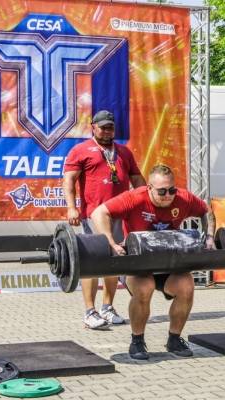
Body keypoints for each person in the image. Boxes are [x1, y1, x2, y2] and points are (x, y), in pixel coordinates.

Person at [91, 164, 215, 359]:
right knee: (144, 287)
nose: (168, 195)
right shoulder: (135, 198)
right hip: (138, 264)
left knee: (186, 286)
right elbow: (99, 213)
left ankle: (174, 339)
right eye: (162, 191)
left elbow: (206, 211)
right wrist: (110, 243)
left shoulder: (183, 198)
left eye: (171, 190)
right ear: (149, 188)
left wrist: (209, 237)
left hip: (169, 262)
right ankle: (137, 342)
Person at [63, 110, 146, 330]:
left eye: (111, 127)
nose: (107, 131)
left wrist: (146, 203)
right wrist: (71, 208)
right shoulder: (80, 150)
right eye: (103, 127)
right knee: (91, 263)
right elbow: (69, 181)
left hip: (120, 215)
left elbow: (138, 180)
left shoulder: (124, 152)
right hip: (93, 215)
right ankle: (90, 312)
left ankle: (107, 308)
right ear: (93, 127)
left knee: (114, 261)